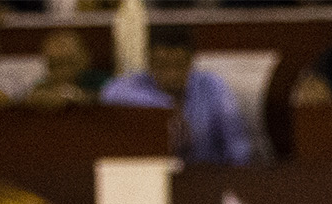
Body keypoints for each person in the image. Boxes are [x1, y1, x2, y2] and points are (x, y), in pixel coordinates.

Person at [101, 25, 259, 166]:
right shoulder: (127, 87)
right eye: (162, 65)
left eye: (179, 64)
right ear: (149, 62)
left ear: (191, 61)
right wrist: (166, 106)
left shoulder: (212, 87)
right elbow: (109, 95)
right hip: (150, 180)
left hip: (205, 179)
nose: (172, 74)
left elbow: (238, 148)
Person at [24, 27, 104, 107]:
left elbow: (108, 95)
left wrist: (77, 95)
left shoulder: (98, 80)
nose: (61, 71)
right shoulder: (43, 84)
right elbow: (30, 96)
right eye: (54, 65)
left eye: (67, 63)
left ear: (84, 59)